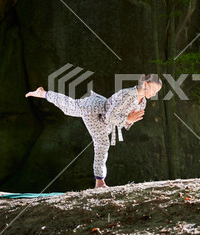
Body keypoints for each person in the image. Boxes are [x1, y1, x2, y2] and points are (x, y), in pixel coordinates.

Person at [25, 74, 162, 188]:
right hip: (94, 109)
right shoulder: (127, 94)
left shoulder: (142, 102)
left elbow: (121, 119)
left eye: (157, 91)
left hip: (104, 119)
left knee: (101, 141)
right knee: (71, 109)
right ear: (145, 84)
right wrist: (127, 119)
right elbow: (110, 115)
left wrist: (128, 120)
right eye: (153, 89)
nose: (154, 93)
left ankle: (99, 182)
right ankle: (100, 182)